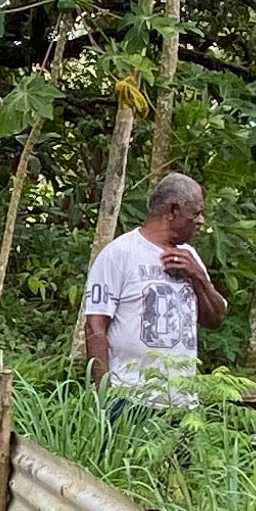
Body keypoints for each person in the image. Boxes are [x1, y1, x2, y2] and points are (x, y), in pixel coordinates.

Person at [81, 170, 226, 403]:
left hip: (181, 403)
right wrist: (104, 397)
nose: (200, 221)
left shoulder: (190, 256)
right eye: (195, 213)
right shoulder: (120, 254)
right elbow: (94, 326)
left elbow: (216, 319)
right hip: (129, 400)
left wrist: (198, 277)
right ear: (172, 211)